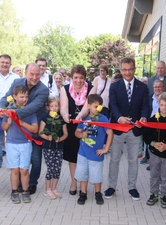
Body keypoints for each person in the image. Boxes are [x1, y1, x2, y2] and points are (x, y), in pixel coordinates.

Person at [0, 62, 49, 195]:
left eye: (37, 74)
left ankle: (32, 183)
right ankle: (19, 183)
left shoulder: (43, 90)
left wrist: (12, 113)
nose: (34, 77)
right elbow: (7, 97)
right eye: (31, 74)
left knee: (36, 159)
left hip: (34, 127)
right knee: (18, 161)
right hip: (16, 131)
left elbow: (33, 107)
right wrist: (1, 108)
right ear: (25, 73)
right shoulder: (16, 82)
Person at [104, 57, 150, 201]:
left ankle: (132, 187)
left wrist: (143, 118)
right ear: (120, 70)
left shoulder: (142, 87)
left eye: (130, 69)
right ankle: (111, 186)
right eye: (124, 69)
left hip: (135, 129)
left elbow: (145, 106)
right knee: (114, 159)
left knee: (133, 160)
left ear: (134, 69)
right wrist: (119, 118)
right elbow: (113, 105)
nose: (127, 72)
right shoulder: (114, 86)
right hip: (118, 128)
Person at [60, 64, 96, 196]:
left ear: (85, 78)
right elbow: (63, 106)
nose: (78, 80)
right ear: (72, 77)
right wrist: (64, 115)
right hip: (70, 125)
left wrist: (80, 116)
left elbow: (87, 107)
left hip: (85, 125)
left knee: (85, 156)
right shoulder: (64, 89)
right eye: (76, 77)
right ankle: (74, 182)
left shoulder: (91, 89)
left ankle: (83, 184)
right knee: (72, 157)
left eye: (81, 77)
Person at [1, 85, 38, 204]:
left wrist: (22, 123)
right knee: (15, 170)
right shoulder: (9, 110)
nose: (24, 99)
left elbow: (35, 129)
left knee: (24, 170)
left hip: (25, 144)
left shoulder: (29, 111)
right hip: (12, 143)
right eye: (21, 96)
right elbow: (3, 127)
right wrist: (9, 121)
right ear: (14, 97)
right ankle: (14, 191)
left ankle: (25, 191)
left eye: (26, 96)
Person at [74, 94, 113, 205]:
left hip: (96, 154)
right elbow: (76, 132)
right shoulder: (84, 118)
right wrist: (82, 135)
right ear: (89, 106)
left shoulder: (103, 119)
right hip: (83, 153)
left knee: (96, 175)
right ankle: (83, 193)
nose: (98, 108)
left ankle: (97, 193)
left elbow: (110, 133)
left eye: (99, 106)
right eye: (95, 106)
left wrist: (106, 148)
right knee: (82, 174)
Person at [39, 96, 68, 200]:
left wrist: (60, 139)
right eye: (52, 106)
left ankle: (54, 188)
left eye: (56, 106)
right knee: (50, 168)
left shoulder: (61, 119)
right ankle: (47, 190)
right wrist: (47, 137)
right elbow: (40, 132)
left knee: (57, 168)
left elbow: (65, 134)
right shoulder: (45, 118)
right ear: (48, 107)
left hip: (59, 147)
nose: (54, 108)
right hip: (48, 147)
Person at [143, 80, 165, 168]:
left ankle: (159, 165)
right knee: (150, 145)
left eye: (159, 87)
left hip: (162, 126)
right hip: (150, 125)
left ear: (163, 88)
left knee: (160, 144)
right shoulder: (149, 97)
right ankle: (152, 163)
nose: (157, 89)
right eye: (155, 87)